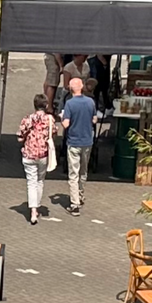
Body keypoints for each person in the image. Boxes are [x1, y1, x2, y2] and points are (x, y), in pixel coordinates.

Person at [60, 78, 97, 212]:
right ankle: (80, 195)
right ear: (82, 87)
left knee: (73, 174)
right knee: (83, 171)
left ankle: (74, 204)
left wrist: (61, 117)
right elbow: (94, 119)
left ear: (70, 89)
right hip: (87, 141)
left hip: (74, 142)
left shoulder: (69, 104)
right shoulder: (90, 102)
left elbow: (66, 124)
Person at [18, 94, 55, 225]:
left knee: (31, 182)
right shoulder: (50, 119)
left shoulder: (27, 119)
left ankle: (33, 211)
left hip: (29, 154)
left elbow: (20, 136)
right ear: (45, 105)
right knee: (40, 181)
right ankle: (37, 206)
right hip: (43, 154)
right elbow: (53, 132)